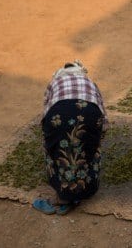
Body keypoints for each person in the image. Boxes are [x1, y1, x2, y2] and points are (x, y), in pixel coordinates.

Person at [33, 60, 108, 215]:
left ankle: (62, 198)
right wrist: (96, 140)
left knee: (59, 152)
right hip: (90, 113)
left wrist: (50, 139)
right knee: (87, 150)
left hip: (59, 113)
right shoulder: (89, 82)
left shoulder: (54, 83)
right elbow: (103, 115)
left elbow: (46, 111)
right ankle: (82, 192)